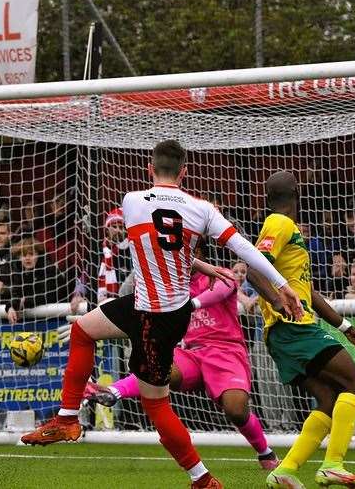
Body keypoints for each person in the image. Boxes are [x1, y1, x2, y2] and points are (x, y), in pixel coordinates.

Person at [21, 140, 303, 489]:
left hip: (153, 317)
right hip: (161, 312)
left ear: (149, 169)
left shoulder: (131, 201)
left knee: (155, 403)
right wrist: (280, 284)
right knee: (83, 330)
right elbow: (240, 247)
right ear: (184, 171)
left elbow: (151, 243)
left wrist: (200, 266)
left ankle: (202, 479)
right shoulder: (201, 208)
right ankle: (67, 418)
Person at [84, 240, 280, 470]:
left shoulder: (222, 275)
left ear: (198, 254)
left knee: (236, 410)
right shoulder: (172, 286)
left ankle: (265, 453)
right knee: (158, 367)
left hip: (226, 351)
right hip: (192, 353)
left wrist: (190, 304)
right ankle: (113, 391)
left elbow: (216, 293)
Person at [247, 171, 355, 489]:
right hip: (292, 328)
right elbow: (254, 270)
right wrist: (277, 302)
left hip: (289, 331)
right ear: (297, 192)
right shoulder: (279, 223)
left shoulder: (288, 230)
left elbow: (308, 292)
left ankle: (285, 470)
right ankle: (333, 464)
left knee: (328, 396)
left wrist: (346, 327)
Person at [6, 238, 82, 324]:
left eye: (31, 254)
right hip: (34, 320)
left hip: (59, 318)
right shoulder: (18, 272)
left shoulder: (49, 269)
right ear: (19, 257)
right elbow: (15, 294)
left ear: (38, 254)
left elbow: (48, 296)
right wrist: (11, 307)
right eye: (24, 255)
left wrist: (25, 302)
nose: (27, 258)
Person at [96, 207, 131, 303]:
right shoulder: (97, 251)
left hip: (123, 303)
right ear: (107, 229)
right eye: (114, 227)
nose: (118, 231)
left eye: (121, 227)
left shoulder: (129, 252)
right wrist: (78, 293)